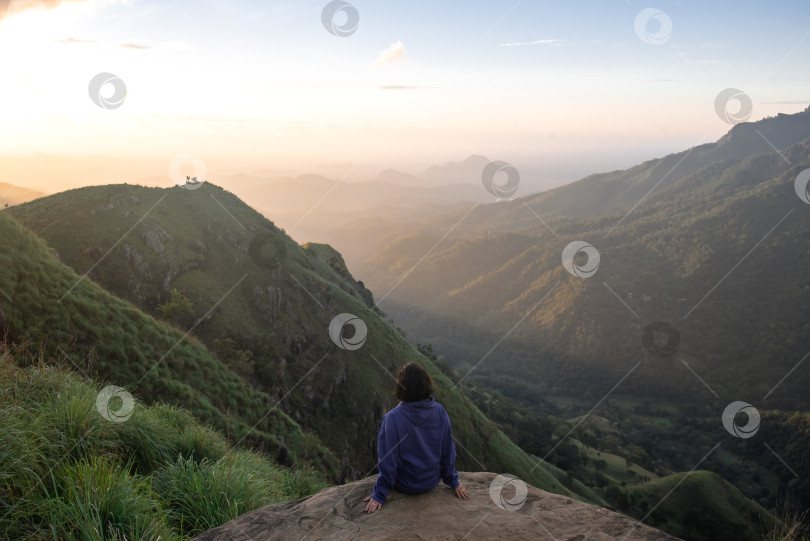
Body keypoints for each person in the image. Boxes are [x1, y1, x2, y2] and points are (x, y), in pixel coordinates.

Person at [363, 362, 470, 513]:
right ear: (426, 384)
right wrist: (454, 481)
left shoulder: (393, 418)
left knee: (384, 421)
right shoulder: (440, 411)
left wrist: (379, 494)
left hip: (405, 484)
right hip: (431, 481)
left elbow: (388, 459)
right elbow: (448, 451)